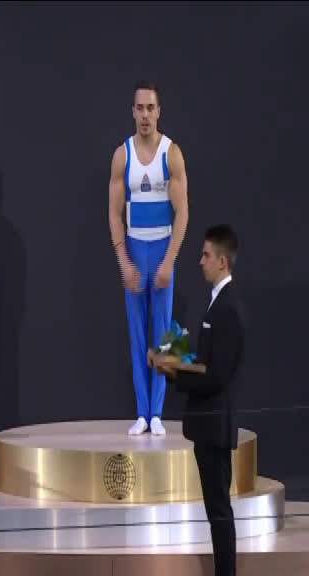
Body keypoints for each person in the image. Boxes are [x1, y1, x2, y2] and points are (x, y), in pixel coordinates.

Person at [154, 224, 244, 576]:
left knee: (219, 512)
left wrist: (176, 371)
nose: (200, 261)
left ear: (222, 261)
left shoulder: (228, 308)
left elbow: (217, 375)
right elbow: (206, 363)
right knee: (215, 511)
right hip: (207, 426)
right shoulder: (217, 303)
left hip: (215, 427)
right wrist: (174, 365)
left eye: (206, 255)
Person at [109, 81, 189, 436]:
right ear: (133, 112)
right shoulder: (122, 155)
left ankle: (157, 412)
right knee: (137, 334)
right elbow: (114, 214)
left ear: (159, 112)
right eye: (139, 108)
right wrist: (124, 262)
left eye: (150, 108)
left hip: (161, 247)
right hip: (135, 248)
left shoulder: (171, 154)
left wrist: (170, 260)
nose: (145, 114)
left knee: (163, 334)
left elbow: (183, 213)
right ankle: (141, 413)